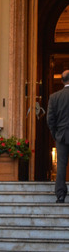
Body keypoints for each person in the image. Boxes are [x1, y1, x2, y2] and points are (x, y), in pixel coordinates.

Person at [46, 69, 69, 203]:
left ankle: (60, 195)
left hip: (61, 136)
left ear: (62, 81)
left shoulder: (54, 97)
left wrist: (55, 134)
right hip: (61, 134)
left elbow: (50, 119)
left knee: (61, 165)